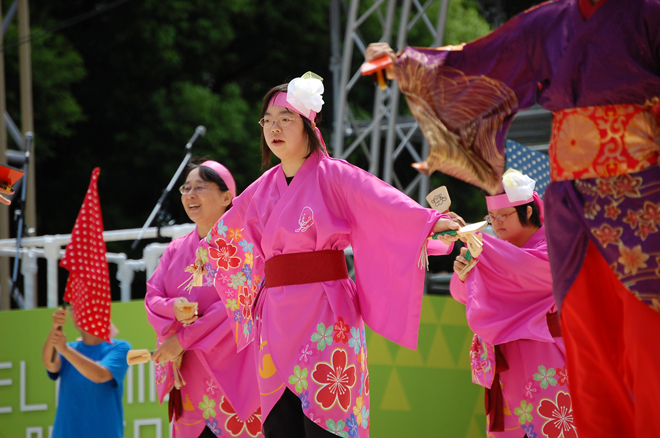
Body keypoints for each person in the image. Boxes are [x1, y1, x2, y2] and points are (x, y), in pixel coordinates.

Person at [366, 0, 660, 435]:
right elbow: (482, 60)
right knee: (589, 342)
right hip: (572, 202)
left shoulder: (649, 13)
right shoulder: (551, 20)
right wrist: (408, 64)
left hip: (642, 196)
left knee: (646, 339)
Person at [183, 72, 461, 438]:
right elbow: (227, 238)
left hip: (326, 314)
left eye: (286, 119)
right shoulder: (260, 189)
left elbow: (384, 205)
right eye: (268, 121)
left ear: (308, 125)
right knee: (282, 426)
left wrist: (428, 223)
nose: (274, 128)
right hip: (276, 318)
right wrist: (208, 255)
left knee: (328, 424)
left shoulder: (335, 175)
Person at [450, 170, 573, 438]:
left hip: (546, 355)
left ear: (528, 212)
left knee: (553, 425)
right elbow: (465, 294)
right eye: (491, 218)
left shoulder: (553, 246)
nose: (496, 223)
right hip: (507, 359)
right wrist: (463, 274)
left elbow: (524, 267)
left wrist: (481, 248)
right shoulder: (496, 255)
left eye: (502, 216)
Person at [146, 159, 262, 438]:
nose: (190, 195)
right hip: (189, 379)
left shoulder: (243, 248)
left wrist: (182, 339)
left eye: (200, 187)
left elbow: (233, 307)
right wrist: (173, 309)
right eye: (186, 188)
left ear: (227, 197)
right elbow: (152, 298)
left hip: (233, 375)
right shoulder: (175, 250)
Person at [42, 307, 130, 438]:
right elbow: (50, 364)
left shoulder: (119, 347)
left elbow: (100, 375)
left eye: (83, 306)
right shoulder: (70, 348)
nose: (76, 312)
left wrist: (64, 349)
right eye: (73, 308)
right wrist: (55, 327)